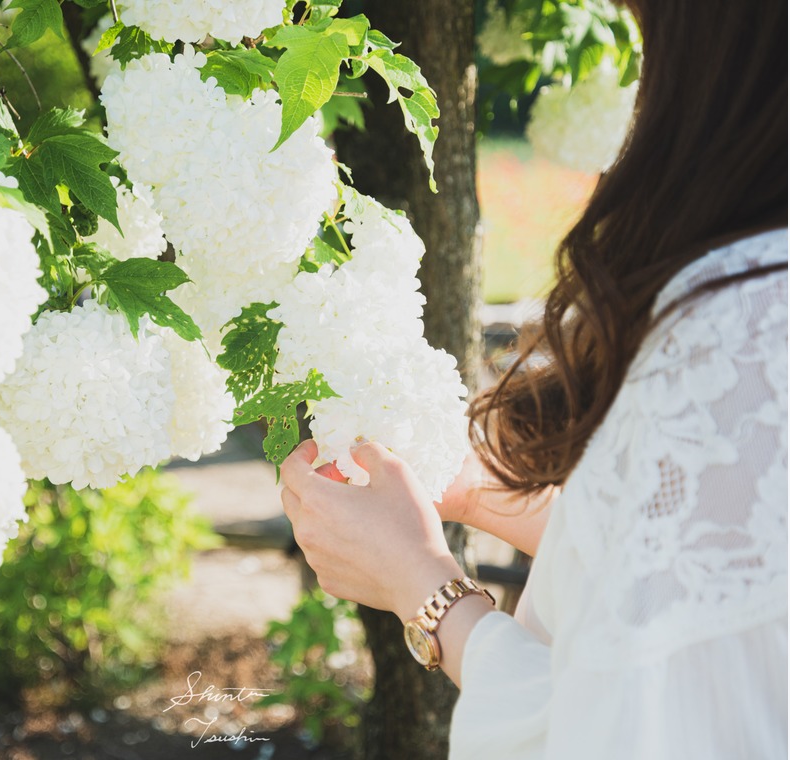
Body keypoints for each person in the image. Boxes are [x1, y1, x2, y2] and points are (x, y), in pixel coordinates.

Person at [279, 0, 788, 757]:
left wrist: (426, 588)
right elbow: (726, 567)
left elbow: (604, 733)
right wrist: (481, 488)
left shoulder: (739, 328)